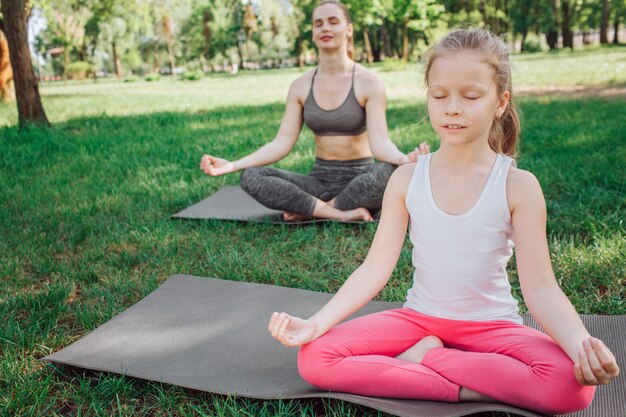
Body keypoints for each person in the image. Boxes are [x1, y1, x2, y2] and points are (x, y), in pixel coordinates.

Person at [267, 28, 619, 414]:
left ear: (501, 102)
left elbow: (542, 290)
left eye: (470, 96)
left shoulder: (518, 186)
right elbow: (374, 269)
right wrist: (316, 324)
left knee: (573, 388)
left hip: (493, 328)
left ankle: (425, 361)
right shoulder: (406, 178)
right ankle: (469, 384)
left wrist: (582, 346)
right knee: (315, 358)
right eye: (439, 95)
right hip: (418, 320)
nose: (452, 108)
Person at [200, 0, 429, 222]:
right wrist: (233, 165)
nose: (325, 28)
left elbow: (379, 141)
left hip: (361, 179)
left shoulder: (369, 82)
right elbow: (281, 143)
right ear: (312, 33)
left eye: (333, 21)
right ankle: (339, 212)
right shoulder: (300, 86)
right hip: (318, 182)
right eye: (318, 24)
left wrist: (402, 159)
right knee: (252, 176)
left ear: (348, 30)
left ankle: (313, 210)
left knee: (388, 173)